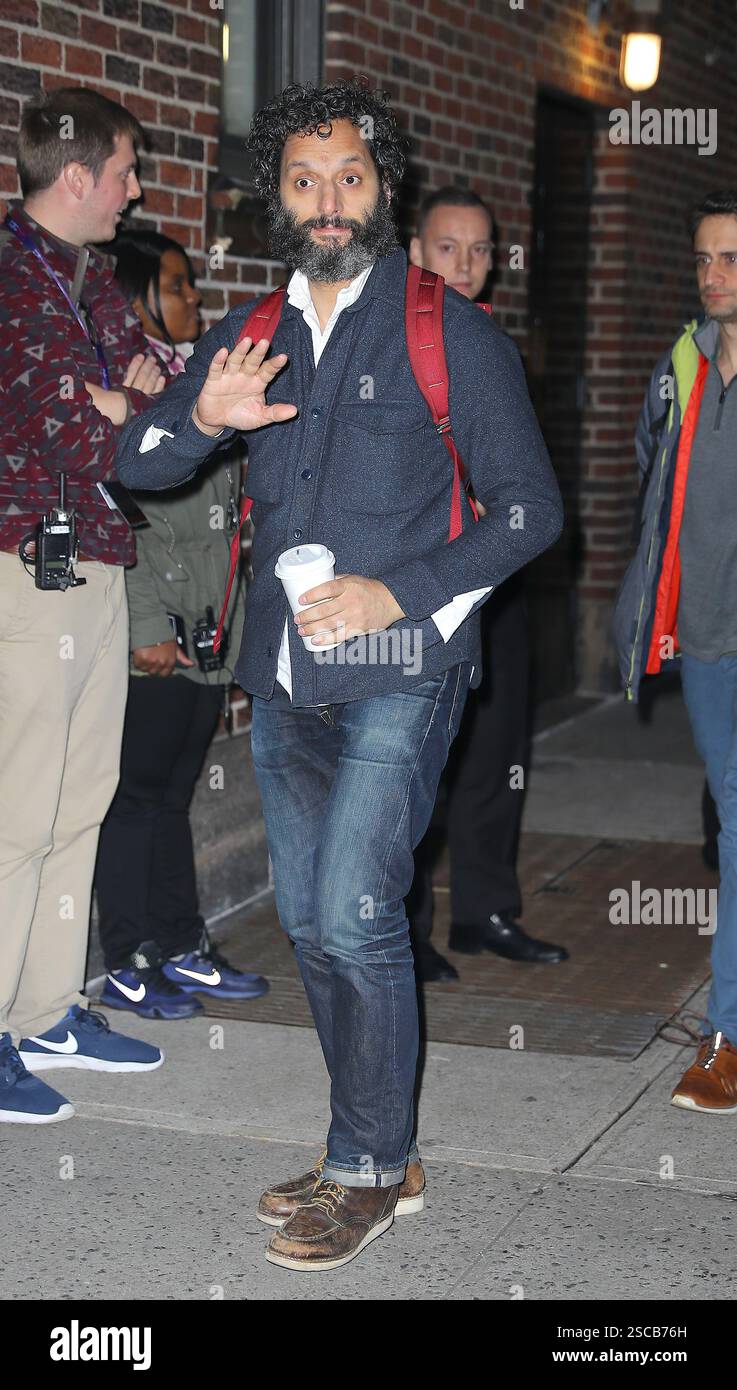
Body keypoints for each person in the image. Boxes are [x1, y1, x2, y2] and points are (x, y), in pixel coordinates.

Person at [116, 79, 563, 1271]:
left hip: (403, 666)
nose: (326, 202)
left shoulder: (443, 328)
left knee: (359, 913)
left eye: (349, 178)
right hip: (287, 673)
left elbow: (529, 511)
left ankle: (366, 1170)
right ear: (277, 196)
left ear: (383, 188)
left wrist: (396, 592)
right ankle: (375, 1140)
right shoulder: (250, 329)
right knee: (313, 923)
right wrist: (202, 417)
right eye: (303, 181)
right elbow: (136, 457)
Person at [0, 88, 167, 1124]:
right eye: (125, 170)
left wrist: (128, 393)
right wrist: (117, 398)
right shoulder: (15, 279)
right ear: (76, 178)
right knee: (17, 808)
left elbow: (164, 393)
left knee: (80, 798)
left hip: (98, 556)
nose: (135, 189)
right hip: (28, 564)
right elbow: (76, 428)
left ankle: (46, 1005)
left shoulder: (92, 275)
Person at [94, 229, 268, 1020]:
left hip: (209, 630)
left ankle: (178, 943)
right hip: (157, 637)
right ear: (137, 299)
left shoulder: (192, 380)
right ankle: (129, 956)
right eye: (177, 286)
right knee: (134, 799)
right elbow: (122, 517)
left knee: (171, 797)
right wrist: (145, 624)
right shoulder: (127, 390)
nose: (194, 300)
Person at [406, 187, 568, 981]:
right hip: (422, 581)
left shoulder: (496, 340)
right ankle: (402, 929)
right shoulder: (389, 338)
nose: (466, 266)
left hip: (496, 576)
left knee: (498, 748)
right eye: (448, 248)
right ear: (413, 252)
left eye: (480, 250)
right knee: (416, 754)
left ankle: (485, 910)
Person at [614, 188, 737, 1113]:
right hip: (705, 638)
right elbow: (650, 472)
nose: (713, 276)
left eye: (730, 257)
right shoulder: (686, 361)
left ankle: (724, 1033)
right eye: (702, 259)